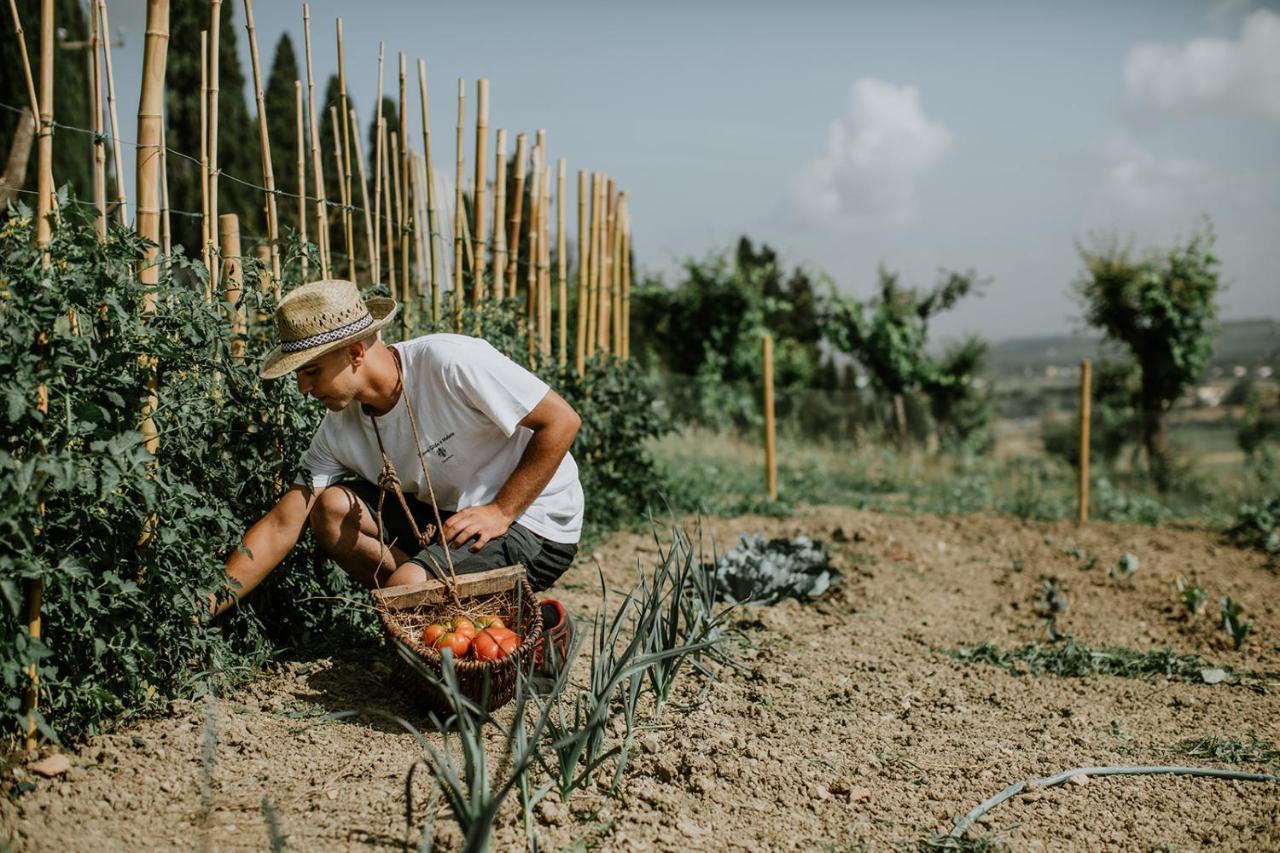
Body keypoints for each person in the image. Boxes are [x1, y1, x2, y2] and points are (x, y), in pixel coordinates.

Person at [210, 279, 581, 652]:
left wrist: (502, 509)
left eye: (312, 371)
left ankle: (521, 639)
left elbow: (562, 421)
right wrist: (201, 609)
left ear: (355, 352)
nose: (303, 388)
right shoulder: (338, 431)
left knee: (406, 586)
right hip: (453, 519)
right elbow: (280, 526)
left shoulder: (448, 362)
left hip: (535, 519)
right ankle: (475, 624)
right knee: (331, 509)